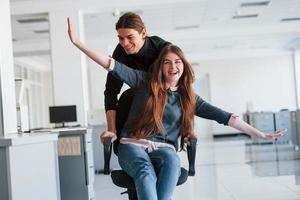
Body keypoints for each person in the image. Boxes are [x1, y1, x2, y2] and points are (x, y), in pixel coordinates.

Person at [67, 18, 286, 200]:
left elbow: (226, 117)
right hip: (132, 144)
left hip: (164, 148)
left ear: (184, 66)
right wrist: (77, 43)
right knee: (146, 173)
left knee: (172, 160)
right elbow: (109, 64)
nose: (173, 67)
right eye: (167, 63)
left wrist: (259, 133)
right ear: (159, 66)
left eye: (178, 62)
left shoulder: (188, 97)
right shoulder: (143, 81)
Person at [102, 12, 171, 142]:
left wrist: (189, 129)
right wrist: (112, 129)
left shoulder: (163, 48)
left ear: (143, 33)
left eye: (130, 37)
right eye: (120, 38)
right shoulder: (120, 52)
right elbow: (111, 92)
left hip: (163, 101)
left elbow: (181, 86)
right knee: (129, 96)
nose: (125, 43)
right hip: (139, 101)